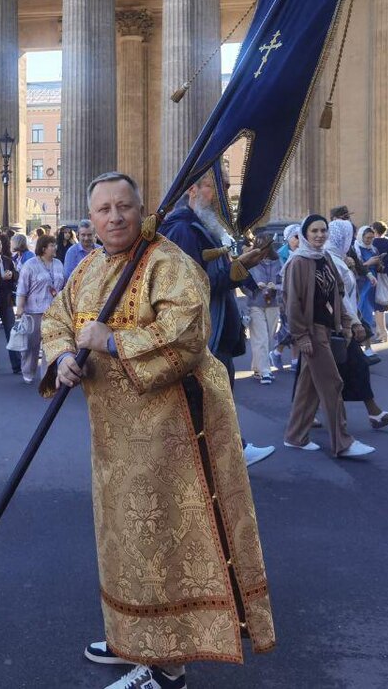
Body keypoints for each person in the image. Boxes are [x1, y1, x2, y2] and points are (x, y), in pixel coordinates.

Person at [41, 172, 275, 689]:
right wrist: (61, 358)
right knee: (123, 539)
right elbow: (58, 321)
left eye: (124, 206)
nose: (115, 217)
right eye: (103, 210)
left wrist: (110, 342)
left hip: (171, 436)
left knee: (162, 543)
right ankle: (131, 636)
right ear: (92, 219)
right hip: (112, 438)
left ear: (140, 208)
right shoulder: (92, 268)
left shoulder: (168, 263)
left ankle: (167, 664)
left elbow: (186, 337)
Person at [159, 169, 277, 467]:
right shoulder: (184, 229)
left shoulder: (201, 226)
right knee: (208, 397)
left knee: (214, 397)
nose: (224, 196)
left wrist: (244, 263)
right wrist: (242, 266)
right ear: (193, 190)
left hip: (216, 326)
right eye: (217, 188)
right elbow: (191, 288)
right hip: (204, 330)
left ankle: (227, 451)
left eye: (227, 187)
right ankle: (225, 454)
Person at [281, 215, 376, 458]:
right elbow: (292, 303)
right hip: (311, 331)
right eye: (314, 230)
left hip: (326, 328)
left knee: (309, 386)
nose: (320, 235)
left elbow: (337, 293)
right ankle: (343, 442)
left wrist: (348, 322)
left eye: (323, 230)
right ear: (305, 233)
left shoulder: (324, 258)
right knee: (333, 384)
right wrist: (300, 336)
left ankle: (295, 436)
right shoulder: (298, 262)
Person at [323, 221, 388, 430]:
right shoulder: (329, 258)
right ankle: (325, 431)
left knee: (350, 370)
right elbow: (338, 297)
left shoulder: (340, 258)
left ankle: (373, 414)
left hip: (343, 324)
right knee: (325, 376)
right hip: (335, 326)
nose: (351, 241)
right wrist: (355, 322)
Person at [14, 234, 64, 384]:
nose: (55, 247)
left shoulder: (58, 263)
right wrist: (20, 308)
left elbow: (63, 285)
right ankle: (28, 371)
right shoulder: (30, 265)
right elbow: (22, 288)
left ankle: (47, 375)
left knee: (51, 344)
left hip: (54, 311)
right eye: (52, 245)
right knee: (32, 344)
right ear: (43, 248)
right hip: (34, 311)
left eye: (55, 244)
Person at [244, 253, 282, 385]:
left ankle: (257, 367)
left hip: (273, 304)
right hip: (255, 304)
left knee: (268, 338)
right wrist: (254, 286)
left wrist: (275, 287)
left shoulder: (279, 262)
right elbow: (242, 284)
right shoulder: (250, 262)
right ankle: (266, 371)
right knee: (261, 338)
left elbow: (285, 283)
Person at [270, 223, 302, 373]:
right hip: (284, 295)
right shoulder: (280, 254)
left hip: (300, 295)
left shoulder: (303, 252)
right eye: (296, 237)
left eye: (301, 236)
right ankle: (276, 352)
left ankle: (294, 360)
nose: (299, 240)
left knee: (297, 327)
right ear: (288, 238)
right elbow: (278, 276)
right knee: (290, 326)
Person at [0, 234, 21, 375]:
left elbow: (16, 275)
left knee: (11, 332)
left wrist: (12, 275)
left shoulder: (7, 261)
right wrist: (2, 278)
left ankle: (17, 365)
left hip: (7, 300)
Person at [352, 226, 384, 361]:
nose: (369, 240)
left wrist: (378, 263)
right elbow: (356, 268)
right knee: (360, 314)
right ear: (361, 237)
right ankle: (362, 345)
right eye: (367, 238)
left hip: (371, 284)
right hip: (359, 285)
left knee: (368, 314)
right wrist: (369, 262)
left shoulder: (373, 248)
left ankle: (366, 346)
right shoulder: (355, 249)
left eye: (371, 238)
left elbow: (378, 267)